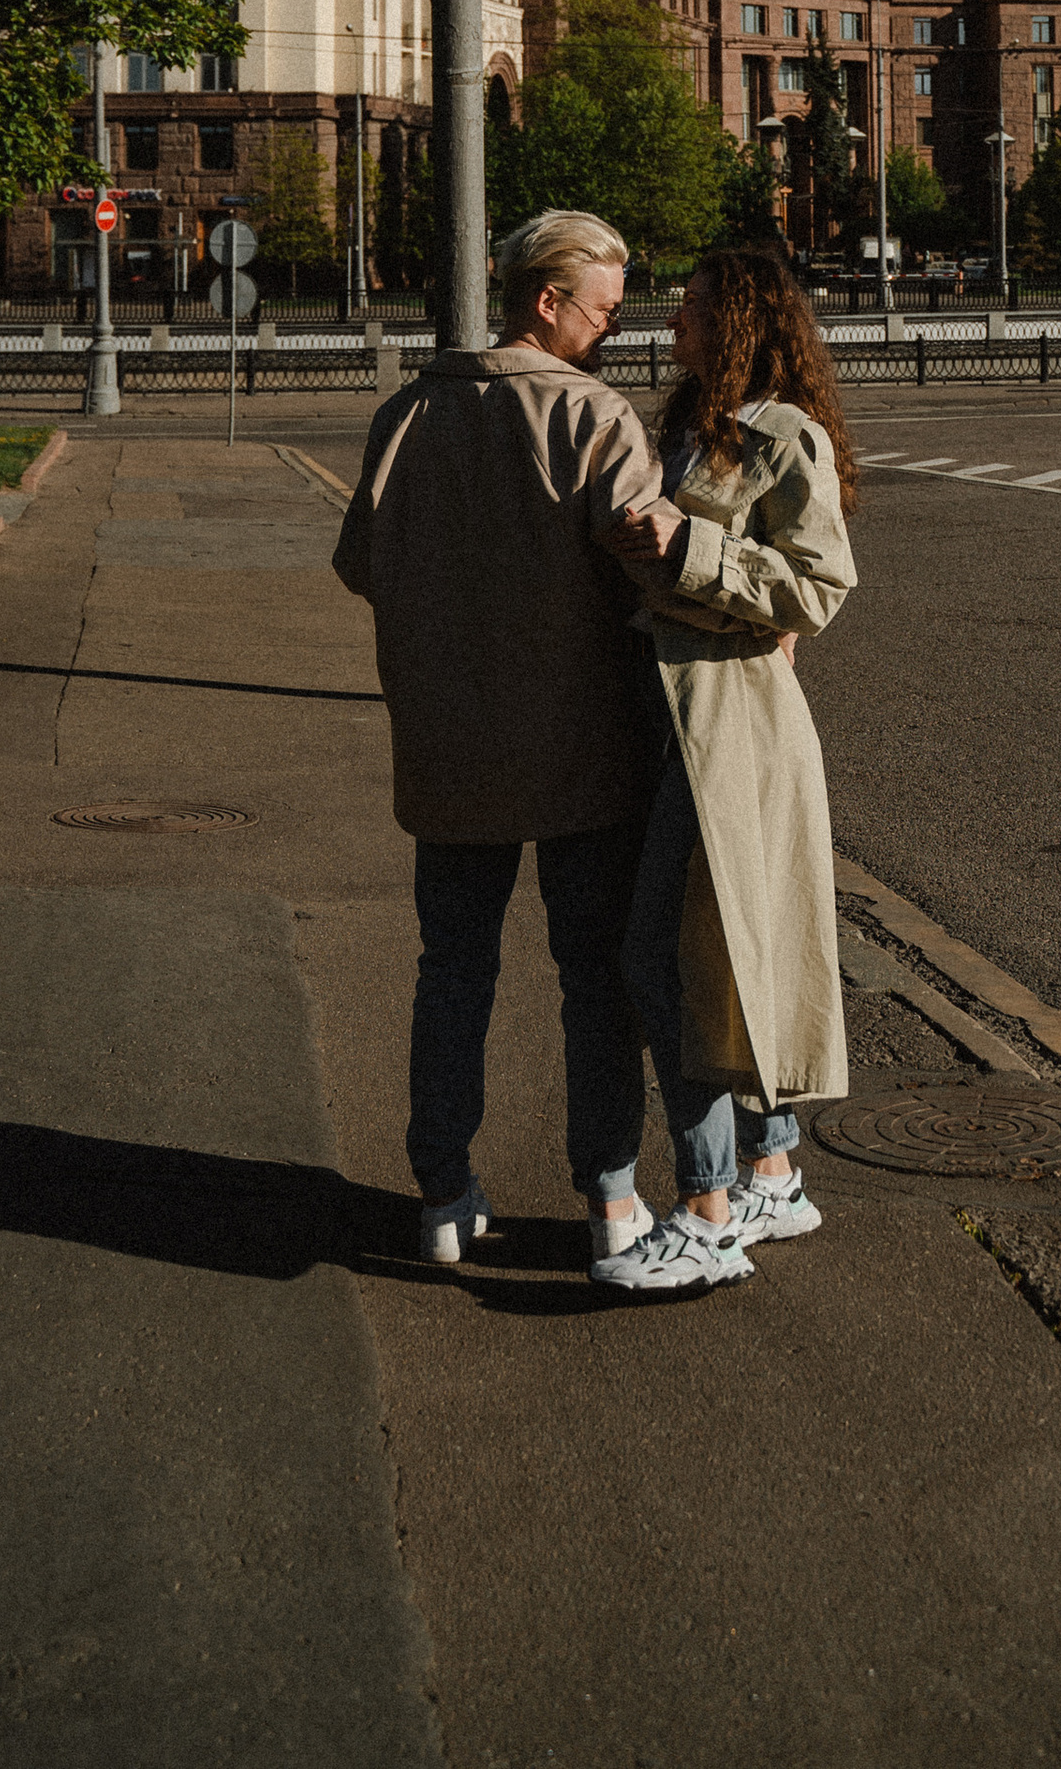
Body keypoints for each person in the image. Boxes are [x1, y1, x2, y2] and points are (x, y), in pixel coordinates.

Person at [333, 209, 663, 1269]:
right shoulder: (594, 418)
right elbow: (646, 571)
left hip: (448, 745)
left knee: (453, 969)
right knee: (594, 977)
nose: (610, 332)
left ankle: (441, 1193)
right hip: (580, 745)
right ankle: (610, 1198)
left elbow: (359, 564)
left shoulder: (408, 414)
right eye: (602, 310)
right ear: (544, 301)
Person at [601, 246, 860, 1295]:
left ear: (743, 321)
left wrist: (686, 551)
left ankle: (708, 1208)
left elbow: (819, 586)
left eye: (696, 309)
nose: (675, 323)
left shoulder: (781, 436)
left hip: (733, 731)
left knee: (659, 961)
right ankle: (771, 1167)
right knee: (723, 949)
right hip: (670, 723)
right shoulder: (682, 429)